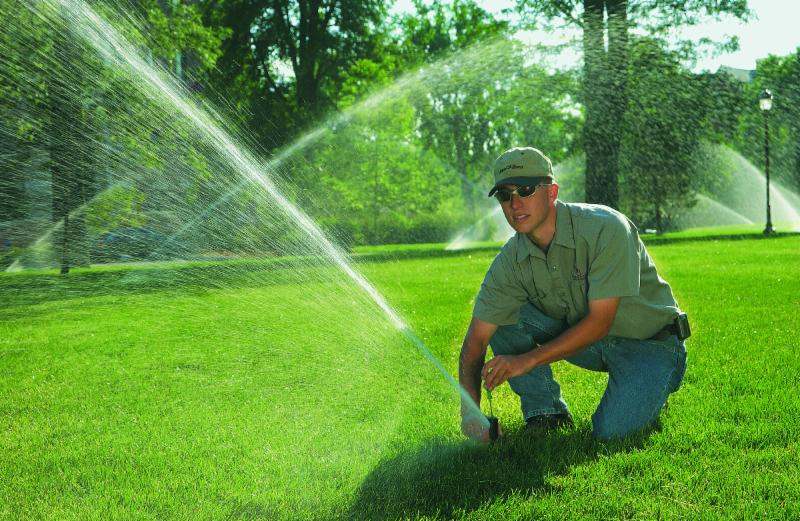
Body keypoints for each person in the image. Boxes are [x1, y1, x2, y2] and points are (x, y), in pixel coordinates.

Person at [459, 147, 688, 442]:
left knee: (611, 433)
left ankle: (655, 386)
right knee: (503, 315)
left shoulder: (606, 228)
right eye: (505, 195)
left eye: (526, 190)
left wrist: (526, 360)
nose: (515, 203)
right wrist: (471, 415)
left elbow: (600, 323)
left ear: (552, 192)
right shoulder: (510, 261)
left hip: (651, 344)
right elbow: (476, 340)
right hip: (592, 344)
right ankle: (547, 414)